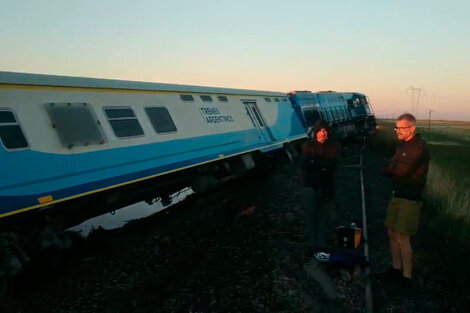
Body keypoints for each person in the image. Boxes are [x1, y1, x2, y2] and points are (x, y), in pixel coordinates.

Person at [382, 113, 430, 286]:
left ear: (412, 128)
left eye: (402, 128)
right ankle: (396, 269)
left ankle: (407, 277)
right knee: (392, 232)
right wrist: (395, 166)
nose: (398, 131)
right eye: (397, 128)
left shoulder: (419, 147)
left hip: (410, 198)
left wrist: (395, 167)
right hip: (398, 194)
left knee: (403, 237)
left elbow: (401, 172)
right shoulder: (402, 144)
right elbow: (388, 166)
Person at [299, 119, 341, 256]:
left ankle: (321, 245)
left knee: (324, 217)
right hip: (310, 186)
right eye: (320, 131)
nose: (323, 133)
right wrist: (323, 166)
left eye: (325, 130)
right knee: (311, 217)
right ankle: (312, 244)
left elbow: (333, 164)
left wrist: (316, 164)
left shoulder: (334, 145)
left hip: (327, 187)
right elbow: (304, 165)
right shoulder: (307, 146)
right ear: (315, 132)